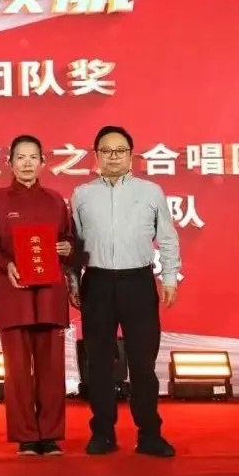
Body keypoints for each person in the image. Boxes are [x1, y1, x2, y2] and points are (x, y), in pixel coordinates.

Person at [71, 125, 180, 458]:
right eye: (106, 151)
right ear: (96, 155)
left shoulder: (151, 192)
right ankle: (103, 433)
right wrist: (73, 281)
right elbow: (74, 244)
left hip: (139, 283)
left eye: (120, 151)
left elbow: (168, 237)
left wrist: (170, 278)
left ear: (131, 155)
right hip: (97, 284)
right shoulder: (82, 194)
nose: (113, 157)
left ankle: (150, 434)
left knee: (143, 363)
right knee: (99, 363)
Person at [0, 135, 73, 456]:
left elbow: (68, 241)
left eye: (34, 157)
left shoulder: (55, 200)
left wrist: (68, 248)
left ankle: (50, 434)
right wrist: (7, 265)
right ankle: (25, 436)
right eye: (21, 157)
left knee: (52, 370)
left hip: (50, 296)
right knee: (17, 372)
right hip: (13, 296)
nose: (27, 163)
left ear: (43, 162)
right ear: (10, 163)